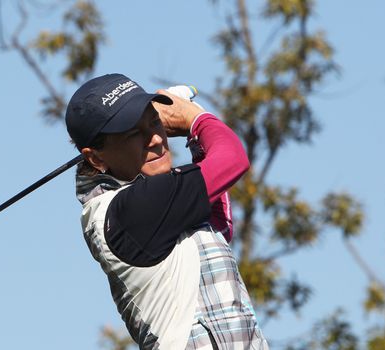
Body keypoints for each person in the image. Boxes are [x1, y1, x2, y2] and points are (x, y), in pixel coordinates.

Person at [66, 73, 269, 350]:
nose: (156, 140)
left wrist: (196, 140)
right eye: (133, 134)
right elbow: (232, 159)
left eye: (154, 122)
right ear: (97, 157)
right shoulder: (129, 210)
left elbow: (218, 227)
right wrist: (194, 120)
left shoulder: (156, 199)